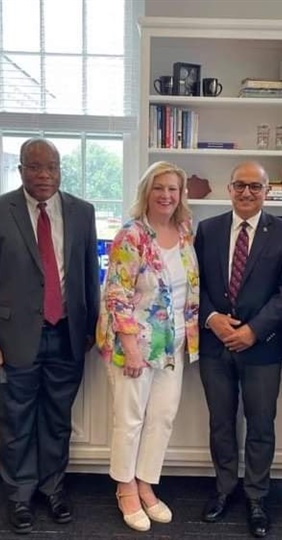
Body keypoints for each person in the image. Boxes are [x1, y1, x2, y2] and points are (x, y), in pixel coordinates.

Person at [0, 138, 99, 534]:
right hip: (13, 338)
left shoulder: (82, 211)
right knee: (16, 421)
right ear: (21, 170)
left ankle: (53, 488)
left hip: (67, 334)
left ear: (60, 170)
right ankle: (19, 496)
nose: (44, 175)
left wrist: (91, 327)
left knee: (58, 419)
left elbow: (88, 273)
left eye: (51, 167)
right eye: (35, 167)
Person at [195, 161, 282, 539]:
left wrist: (254, 330)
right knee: (220, 422)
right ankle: (224, 488)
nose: (247, 193)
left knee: (260, 425)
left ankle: (257, 496)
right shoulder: (207, 230)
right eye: (240, 185)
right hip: (215, 345)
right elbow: (193, 283)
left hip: (263, 348)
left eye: (255, 187)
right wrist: (212, 319)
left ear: (267, 192)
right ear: (229, 189)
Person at [96, 161, 199, 532]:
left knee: (162, 417)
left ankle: (145, 483)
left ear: (181, 194)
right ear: (146, 192)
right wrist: (131, 346)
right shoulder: (132, 234)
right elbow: (117, 293)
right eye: (159, 188)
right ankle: (125, 487)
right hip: (134, 345)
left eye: (173, 188)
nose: (166, 195)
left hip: (173, 344)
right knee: (130, 419)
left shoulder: (185, 232)